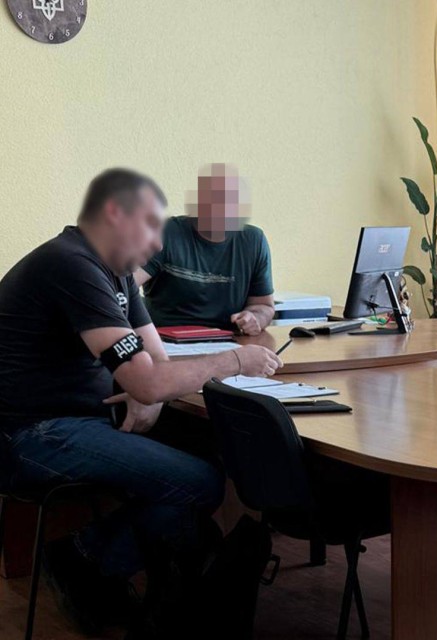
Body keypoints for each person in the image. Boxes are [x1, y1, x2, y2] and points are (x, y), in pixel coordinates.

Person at [0, 168, 282, 638]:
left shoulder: (114, 273)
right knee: (200, 482)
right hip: (31, 435)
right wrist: (235, 359)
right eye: (150, 227)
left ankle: (145, 585)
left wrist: (148, 392)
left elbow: (156, 362)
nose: (157, 244)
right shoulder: (71, 265)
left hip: (78, 422)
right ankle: (84, 558)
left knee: (202, 456)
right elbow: (150, 380)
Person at [134, 163, 275, 336]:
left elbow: (263, 305)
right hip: (167, 339)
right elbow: (122, 287)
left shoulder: (253, 241)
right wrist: (139, 329)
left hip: (230, 338)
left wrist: (255, 318)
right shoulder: (166, 233)